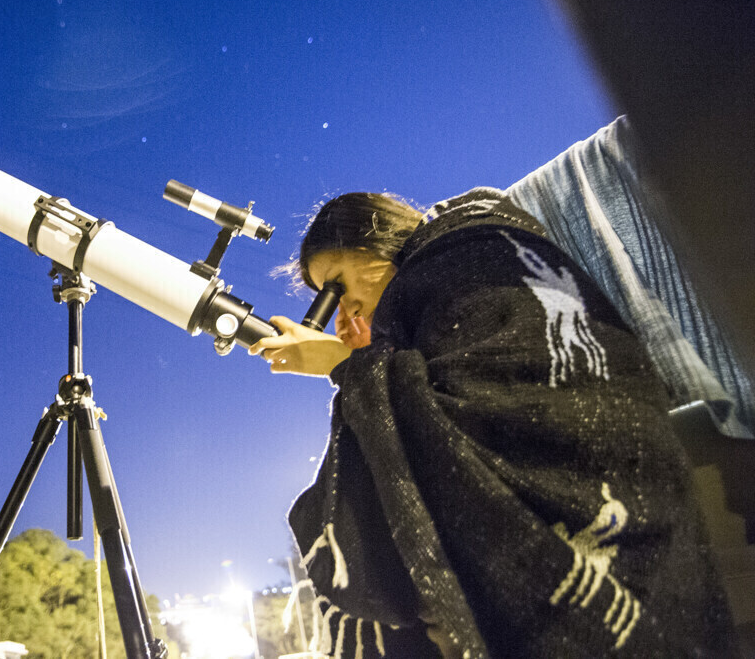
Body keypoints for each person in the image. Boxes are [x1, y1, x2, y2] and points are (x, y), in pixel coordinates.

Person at [250, 190, 735, 657]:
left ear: (376, 241)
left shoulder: (470, 256)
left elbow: (509, 398)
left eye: (338, 284)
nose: (343, 307)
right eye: (327, 299)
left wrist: (348, 367)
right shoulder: (414, 315)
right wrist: (363, 361)